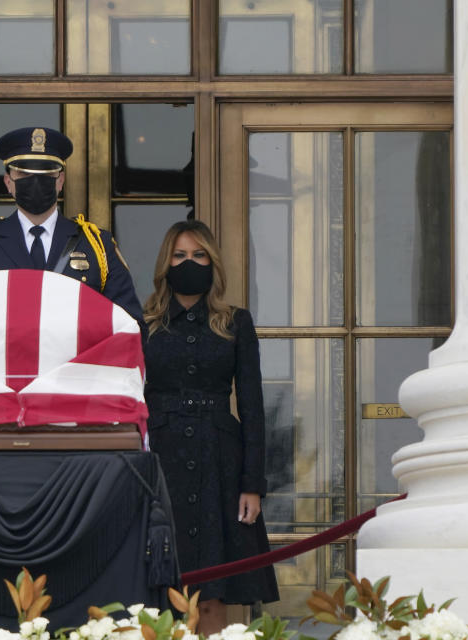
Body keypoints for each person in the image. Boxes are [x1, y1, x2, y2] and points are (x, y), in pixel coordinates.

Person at [142, 220, 279, 634]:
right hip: (160, 460)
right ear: (166, 262)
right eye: (180, 255)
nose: (190, 263)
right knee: (160, 591)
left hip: (219, 461)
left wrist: (252, 483)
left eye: (199, 255)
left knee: (215, 593)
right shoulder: (142, 323)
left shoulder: (236, 322)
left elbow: (252, 406)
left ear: (213, 263)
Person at [0, 126, 143, 324]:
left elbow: (129, 325)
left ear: (60, 181)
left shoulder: (97, 245)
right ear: (8, 182)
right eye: (24, 174)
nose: (35, 181)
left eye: (45, 174)